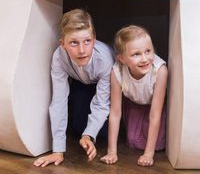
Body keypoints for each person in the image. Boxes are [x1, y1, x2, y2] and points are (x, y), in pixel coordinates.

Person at [33, 9, 114, 167]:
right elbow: (58, 101)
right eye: (73, 43)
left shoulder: (104, 61)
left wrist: (89, 135)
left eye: (87, 41)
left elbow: (101, 103)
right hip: (80, 80)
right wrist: (58, 150)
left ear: (94, 40)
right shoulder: (58, 58)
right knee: (77, 127)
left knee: (101, 133)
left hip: (106, 81)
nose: (82, 50)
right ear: (62, 44)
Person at [100, 25, 167, 167]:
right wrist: (112, 151)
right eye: (136, 54)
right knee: (132, 141)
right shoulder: (117, 71)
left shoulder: (160, 70)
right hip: (133, 105)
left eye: (148, 51)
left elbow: (155, 114)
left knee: (158, 144)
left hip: (154, 107)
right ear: (122, 59)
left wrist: (149, 154)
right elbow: (115, 113)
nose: (145, 59)